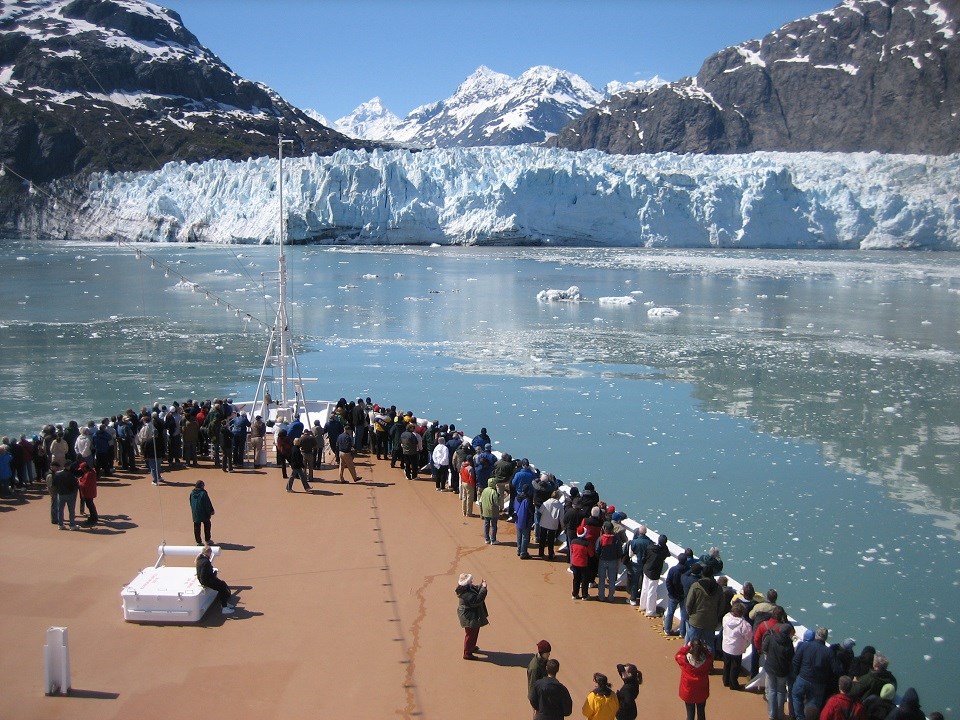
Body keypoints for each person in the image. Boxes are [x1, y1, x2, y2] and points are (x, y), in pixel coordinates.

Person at [792, 626, 843, 720]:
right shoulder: (829, 652)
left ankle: (800, 717)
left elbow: (795, 661)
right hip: (819, 684)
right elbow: (837, 670)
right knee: (813, 705)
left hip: (803, 678)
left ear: (816, 635)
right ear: (826, 638)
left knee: (796, 696)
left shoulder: (805, 646)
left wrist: (796, 675)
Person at [762, 621, 796, 720]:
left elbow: (764, 648)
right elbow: (791, 658)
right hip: (782, 671)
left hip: (770, 668)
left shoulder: (771, 638)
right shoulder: (789, 644)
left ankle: (772, 714)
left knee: (772, 690)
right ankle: (780, 714)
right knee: (781, 692)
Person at [685, 565, 723, 645]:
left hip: (696, 620)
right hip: (711, 622)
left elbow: (688, 604)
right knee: (709, 645)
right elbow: (721, 606)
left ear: (702, 573)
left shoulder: (696, 586)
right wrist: (715, 617)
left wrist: (691, 615)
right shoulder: (719, 588)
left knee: (693, 644)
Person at [720, 601, 753, 690]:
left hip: (726, 646)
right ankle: (733, 684)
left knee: (727, 664)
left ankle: (726, 681)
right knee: (735, 667)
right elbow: (748, 636)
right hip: (737, 649)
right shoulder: (745, 625)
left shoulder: (726, 618)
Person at [676, 638, 712, 720]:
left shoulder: (685, 661)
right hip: (702, 692)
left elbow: (678, 655)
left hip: (688, 693)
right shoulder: (706, 661)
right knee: (701, 713)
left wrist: (687, 647)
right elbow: (710, 656)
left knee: (690, 714)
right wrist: (704, 649)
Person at [455, 573, 488, 660]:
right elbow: (477, 600)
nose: (472, 582)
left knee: (474, 632)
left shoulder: (467, 588)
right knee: (470, 635)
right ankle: (467, 653)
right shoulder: (465, 594)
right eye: (470, 581)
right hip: (469, 617)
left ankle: (471, 647)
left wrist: (481, 585)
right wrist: (483, 588)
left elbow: (476, 589)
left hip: (472, 616)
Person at [196, 544, 234, 615]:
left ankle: (225, 603)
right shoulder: (206, 562)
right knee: (222, 588)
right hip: (206, 581)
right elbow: (205, 575)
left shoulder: (200, 559)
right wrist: (214, 574)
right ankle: (224, 607)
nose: (211, 554)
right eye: (210, 552)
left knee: (222, 584)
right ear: (208, 552)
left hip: (205, 580)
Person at [639, 534, 670, 615]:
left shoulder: (650, 547)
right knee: (652, 591)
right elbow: (667, 553)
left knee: (645, 588)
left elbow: (644, 557)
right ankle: (650, 611)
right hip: (654, 573)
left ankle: (642, 606)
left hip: (646, 569)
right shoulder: (663, 551)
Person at [624, 524, 652, 606]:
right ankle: (643, 600)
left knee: (634, 581)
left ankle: (633, 599)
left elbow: (630, 554)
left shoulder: (634, 542)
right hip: (645, 564)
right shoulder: (649, 542)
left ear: (638, 532)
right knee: (644, 582)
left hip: (636, 564)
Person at [596, 521, 622, 601]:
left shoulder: (600, 539)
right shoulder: (616, 539)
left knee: (602, 579)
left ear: (605, 529)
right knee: (612, 580)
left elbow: (597, 550)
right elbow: (619, 551)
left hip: (602, 560)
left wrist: (599, 557)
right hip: (613, 561)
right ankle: (611, 597)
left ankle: (601, 596)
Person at [52, 461, 79, 530]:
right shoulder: (71, 475)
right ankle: (72, 525)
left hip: (60, 494)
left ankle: (60, 525)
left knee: (60, 510)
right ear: (68, 466)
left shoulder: (57, 474)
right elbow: (75, 485)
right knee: (71, 510)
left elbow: (54, 485)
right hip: (70, 495)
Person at [569, 527, 593, 600]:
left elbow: (572, 551)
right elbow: (591, 554)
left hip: (574, 563)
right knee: (584, 580)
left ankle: (574, 594)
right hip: (583, 564)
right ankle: (584, 595)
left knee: (576, 579)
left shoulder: (573, 542)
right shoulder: (587, 543)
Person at [538, 490, 563, 561]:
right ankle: (551, 555)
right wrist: (562, 525)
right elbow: (561, 517)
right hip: (553, 524)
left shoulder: (546, 502)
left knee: (542, 538)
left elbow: (540, 510)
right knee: (551, 540)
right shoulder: (559, 505)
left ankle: (541, 553)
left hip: (544, 522)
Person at [189, 480, 215, 545]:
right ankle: (207, 540)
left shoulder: (192, 493)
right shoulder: (203, 493)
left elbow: (190, 502)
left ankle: (198, 542)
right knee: (207, 525)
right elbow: (207, 503)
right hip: (203, 513)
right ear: (201, 486)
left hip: (195, 513)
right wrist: (211, 511)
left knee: (196, 527)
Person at [76, 461, 99, 526]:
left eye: (82, 469)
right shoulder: (92, 472)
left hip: (88, 492)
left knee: (90, 505)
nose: (82, 470)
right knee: (90, 505)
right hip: (91, 492)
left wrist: (79, 481)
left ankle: (94, 518)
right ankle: (93, 517)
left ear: (85, 468)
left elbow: (83, 484)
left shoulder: (88, 474)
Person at [479, 478, 501, 544]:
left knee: (486, 525)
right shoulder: (493, 492)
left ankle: (487, 539)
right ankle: (493, 540)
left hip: (485, 510)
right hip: (493, 511)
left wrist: (481, 511)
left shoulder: (485, 490)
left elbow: (480, 501)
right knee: (494, 525)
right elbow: (496, 502)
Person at [515, 487, 534, 559]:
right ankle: (523, 553)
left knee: (519, 536)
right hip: (525, 520)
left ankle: (519, 550)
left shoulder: (517, 497)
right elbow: (531, 511)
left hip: (518, 519)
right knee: (525, 537)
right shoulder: (527, 500)